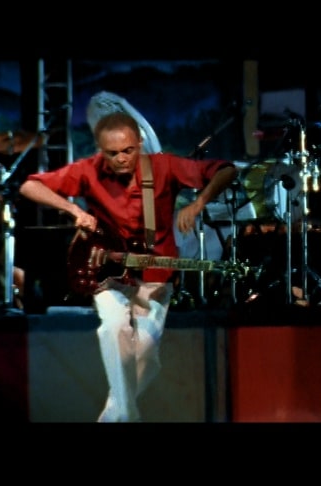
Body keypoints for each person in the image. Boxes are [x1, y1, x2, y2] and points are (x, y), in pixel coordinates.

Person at [19, 111, 238, 422]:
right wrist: (73, 210)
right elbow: (30, 186)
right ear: (100, 150)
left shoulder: (164, 166)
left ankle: (115, 414)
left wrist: (198, 203)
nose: (121, 158)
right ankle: (126, 415)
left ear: (139, 144)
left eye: (128, 150)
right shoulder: (88, 170)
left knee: (146, 356)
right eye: (112, 153)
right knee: (113, 329)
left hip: (155, 274)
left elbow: (227, 170)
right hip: (106, 272)